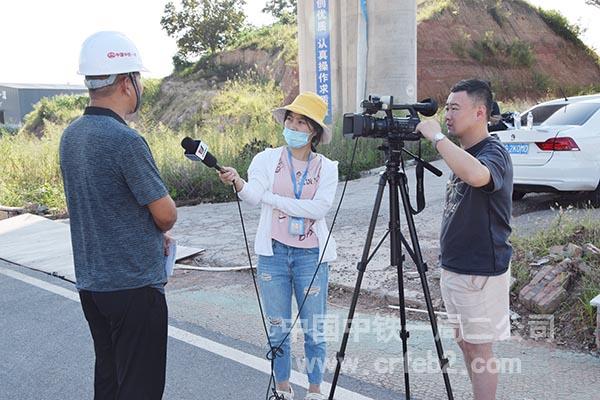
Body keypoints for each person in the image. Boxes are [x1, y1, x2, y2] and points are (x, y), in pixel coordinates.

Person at [59, 31, 177, 400]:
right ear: (127, 83)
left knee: (109, 382)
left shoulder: (71, 135)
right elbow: (165, 214)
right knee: (140, 388)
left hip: (93, 285)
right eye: (138, 78)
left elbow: (102, 203)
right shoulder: (125, 141)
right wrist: (158, 227)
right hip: (133, 287)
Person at [218, 92, 338, 400]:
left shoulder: (327, 167)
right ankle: (282, 387)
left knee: (314, 329)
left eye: (301, 122)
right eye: (290, 119)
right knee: (277, 328)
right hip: (273, 254)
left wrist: (269, 199)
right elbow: (252, 193)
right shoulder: (266, 160)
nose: (293, 126)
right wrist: (238, 183)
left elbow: (319, 209)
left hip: (311, 255)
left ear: (313, 131)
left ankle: (314, 389)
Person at [416, 79, 513, 400]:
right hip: (455, 268)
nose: (447, 115)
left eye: (455, 108)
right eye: (447, 109)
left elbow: (478, 177)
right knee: (466, 344)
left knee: (479, 350)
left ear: (479, 112)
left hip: (480, 270)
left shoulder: (493, 151)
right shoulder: (465, 152)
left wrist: (437, 137)